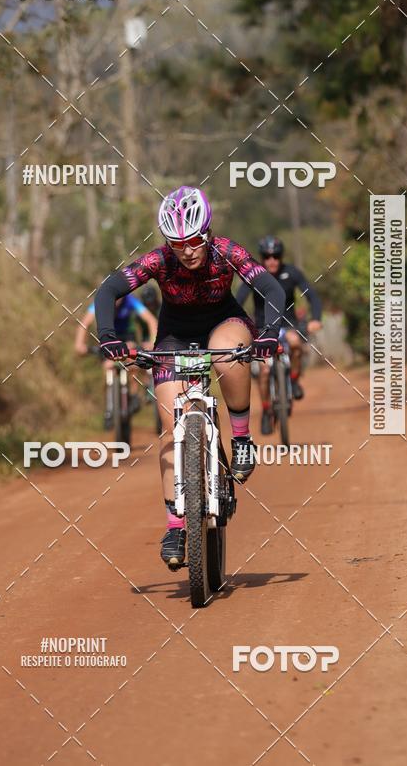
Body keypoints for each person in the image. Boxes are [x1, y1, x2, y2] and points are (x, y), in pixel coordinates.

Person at [95, 187, 285, 567]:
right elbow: (109, 289)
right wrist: (108, 337)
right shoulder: (159, 260)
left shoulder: (227, 252)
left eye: (195, 240)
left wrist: (269, 333)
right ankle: (175, 524)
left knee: (227, 355)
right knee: (169, 426)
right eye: (177, 242)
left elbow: (270, 287)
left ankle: (243, 439)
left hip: (224, 322)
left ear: (208, 233)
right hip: (174, 336)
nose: (188, 250)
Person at [236, 236, 322, 435]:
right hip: (262, 328)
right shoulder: (254, 274)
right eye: (266, 256)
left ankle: (293, 380)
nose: (271, 260)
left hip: (288, 324)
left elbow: (312, 296)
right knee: (264, 371)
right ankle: (266, 410)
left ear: (281, 256)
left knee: (295, 343)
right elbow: (238, 300)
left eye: (276, 256)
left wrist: (315, 318)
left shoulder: (292, 273)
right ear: (262, 258)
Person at [75, 295, 158, 427]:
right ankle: (109, 406)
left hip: (127, 336)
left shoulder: (130, 300)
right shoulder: (101, 299)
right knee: (108, 366)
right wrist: (79, 344)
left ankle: (134, 395)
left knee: (132, 363)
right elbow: (84, 323)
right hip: (109, 337)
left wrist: (154, 343)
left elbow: (151, 320)